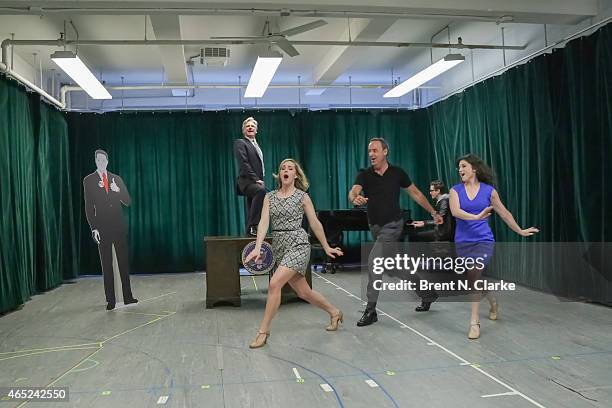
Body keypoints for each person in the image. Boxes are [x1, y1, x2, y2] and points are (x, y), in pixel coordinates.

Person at [244, 158, 344, 349]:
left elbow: (314, 223)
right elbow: (264, 223)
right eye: (283, 168)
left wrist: (326, 246)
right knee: (303, 292)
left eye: (290, 168)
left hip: (298, 243)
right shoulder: (269, 197)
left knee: (274, 284)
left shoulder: (302, 197)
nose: (286, 170)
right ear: (279, 174)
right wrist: (258, 247)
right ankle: (335, 312)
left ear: (296, 174)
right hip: (280, 245)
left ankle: (263, 332)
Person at [348, 138, 443, 327]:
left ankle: (371, 310)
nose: (371, 154)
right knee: (397, 269)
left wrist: (433, 212)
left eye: (375, 150)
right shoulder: (364, 175)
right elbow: (354, 191)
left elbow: (415, 193)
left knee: (375, 262)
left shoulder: (397, 173)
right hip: (375, 227)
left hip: (393, 225)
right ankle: (428, 293)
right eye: (369, 151)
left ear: (385, 152)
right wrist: (354, 198)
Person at [449, 153, 539, 339]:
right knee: (473, 278)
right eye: (459, 167)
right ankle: (492, 300)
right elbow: (456, 211)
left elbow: (505, 213)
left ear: (474, 169)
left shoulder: (489, 191)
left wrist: (520, 231)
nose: (460, 170)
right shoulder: (455, 191)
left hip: (483, 240)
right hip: (463, 241)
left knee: (475, 272)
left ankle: (474, 322)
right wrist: (475, 216)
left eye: (464, 166)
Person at [83, 149, 138, 310]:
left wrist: (117, 191)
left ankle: (128, 297)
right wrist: (94, 228)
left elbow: (128, 201)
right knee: (106, 265)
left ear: (107, 161)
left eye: (103, 160)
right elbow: (88, 207)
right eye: (98, 160)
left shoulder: (116, 179)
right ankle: (110, 300)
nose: (101, 163)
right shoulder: (89, 180)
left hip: (118, 226)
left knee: (123, 263)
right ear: (95, 162)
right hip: (102, 228)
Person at [410, 180, 455, 312]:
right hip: (441, 234)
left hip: (442, 236)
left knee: (416, 238)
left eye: (431, 190)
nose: (429, 193)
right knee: (416, 238)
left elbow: (439, 219)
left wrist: (423, 223)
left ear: (438, 191)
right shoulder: (444, 200)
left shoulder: (444, 201)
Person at [234, 117, 266, 236]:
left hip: (258, 180)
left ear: (256, 130)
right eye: (248, 126)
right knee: (260, 192)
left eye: (252, 126)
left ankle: (249, 232)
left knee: (252, 206)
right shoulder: (240, 143)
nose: (250, 127)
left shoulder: (256, 145)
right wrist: (256, 179)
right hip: (247, 181)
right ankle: (254, 226)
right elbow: (244, 163)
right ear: (244, 131)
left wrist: (260, 179)